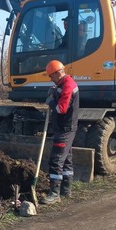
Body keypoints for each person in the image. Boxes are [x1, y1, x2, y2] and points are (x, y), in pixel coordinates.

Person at [42, 60, 79, 204]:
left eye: (51, 76)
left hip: (65, 129)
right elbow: (59, 93)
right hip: (64, 128)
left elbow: (61, 109)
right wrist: (54, 91)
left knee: (56, 160)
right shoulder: (62, 84)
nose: (50, 78)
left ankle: (54, 193)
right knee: (67, 160)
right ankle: (66, 190)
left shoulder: (68, 86)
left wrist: (51, 102)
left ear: (58, 73)